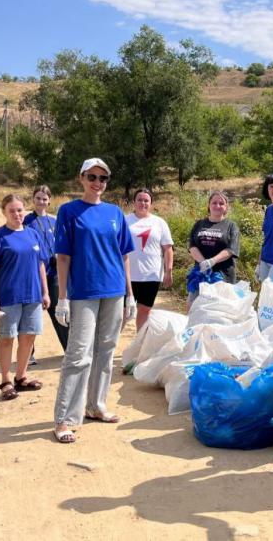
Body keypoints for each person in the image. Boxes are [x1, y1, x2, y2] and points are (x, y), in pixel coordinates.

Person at [52, 158, 136, 444]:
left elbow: (124, 256)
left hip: (114, 290)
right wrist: (62, 297)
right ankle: (65, 418)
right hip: (83, 293)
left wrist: (130, 295)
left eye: (103, 178)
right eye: (92, 177)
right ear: (81, 178)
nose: (97, 183)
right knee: (78, 354)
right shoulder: (69, 211)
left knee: (106, 350)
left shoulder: (115, 213)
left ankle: (96, 405)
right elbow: (63, 257)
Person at [0, 194, 49, 401]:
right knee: (7, 338)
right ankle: (6, 380)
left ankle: (21, 377)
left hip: (33, 296)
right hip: (9, 296)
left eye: (19, 210)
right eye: (11, 210)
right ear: (4, 212)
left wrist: (45, 292)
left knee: (29, 336)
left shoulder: (32, 234)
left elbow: (40, 265)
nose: (16, 214)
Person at [24, 185, 69, 353]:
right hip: (34, 274)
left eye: (44, 199)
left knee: (60, 312)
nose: (41, 202)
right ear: (33, 199)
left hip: (55, 273)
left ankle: (69, 349)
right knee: (31, 315)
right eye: (38, 198)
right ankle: (29, 354)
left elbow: (62, 243)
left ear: (49, 201)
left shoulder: (55, 220)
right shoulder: (26, 221)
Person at [125, 188, 174, 331]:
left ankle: (140, 345)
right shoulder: (125, 220)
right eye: (139, 200)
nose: (143, 203)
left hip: (151, 276)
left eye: (146, 200)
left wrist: (168, 271)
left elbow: (168, 249)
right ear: (133, 202)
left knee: (144, 311)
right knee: (122, 312)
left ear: (151, 203)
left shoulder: (159, 222)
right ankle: (108, 349)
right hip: (127, 276)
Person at [189, 191, 241, 305]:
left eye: (221, 203)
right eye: (214, 203)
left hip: (223, 276)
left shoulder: (231, 226)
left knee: (218, 311)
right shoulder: (199, 224)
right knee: (192, 305)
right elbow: (192, 246)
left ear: (226, 207)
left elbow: (231, 249)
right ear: (209, 205)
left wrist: (212, 261)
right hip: (200, 274)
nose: (217, 206)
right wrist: (203, 262)